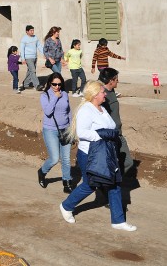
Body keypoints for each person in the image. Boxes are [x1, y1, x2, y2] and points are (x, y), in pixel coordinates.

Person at [59, 81, 136, 232]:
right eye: (102, 92)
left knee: (114, 183)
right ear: (95, 95)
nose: (105, 94)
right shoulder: (86, 110)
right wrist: (102, 135)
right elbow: (82, 133)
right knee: (90, 184)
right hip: (90, 155)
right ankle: (66, 206)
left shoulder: (101, 108)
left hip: (106, 153)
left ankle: (118, 221)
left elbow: (111, 126)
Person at [38, 73, 73, 193]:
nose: (57, 87)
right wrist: (55, 97)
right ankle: (42, 172)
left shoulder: (65, 94)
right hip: (50, 130)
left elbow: (68, 111)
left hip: (66, 129)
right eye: (54, 84)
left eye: (59, 84)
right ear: (49, 83)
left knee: (66, 158)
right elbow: (47, 112)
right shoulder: (45, 96)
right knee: (54, 158)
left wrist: (72, 128)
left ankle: (66, 182)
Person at [99, 68, 134, 177]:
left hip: (118, 133)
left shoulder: (111, 91)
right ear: (111, 81)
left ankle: (113, 184)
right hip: (110, 135)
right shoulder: (102, 95)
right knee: (109, 164)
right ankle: (108, 187)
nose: (118, 81)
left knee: (128, 162)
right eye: (116, 79)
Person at [20, 25, 44, 91]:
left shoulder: (35, 37)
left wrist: (44, 53)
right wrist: (23, 58)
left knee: (30, 71)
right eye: (31, 30)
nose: (32, 32)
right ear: (27, 31)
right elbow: (22, 49)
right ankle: (37, 85)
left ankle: (25, 84)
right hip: (28, 57)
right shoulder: (24, 39)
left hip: (35, 57)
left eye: (33, 30)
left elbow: (39, 46)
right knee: (33, 71)